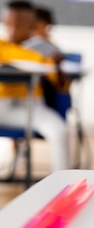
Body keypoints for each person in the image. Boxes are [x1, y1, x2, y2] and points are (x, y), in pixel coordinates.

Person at [0, 39, 70, 172]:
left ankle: (64, 184)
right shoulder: (2, 46)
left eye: (20, 25)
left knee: (59, 131)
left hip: (30, 107)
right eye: (10, 25)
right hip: (2, 106)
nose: (13, 31)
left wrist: (58, 66)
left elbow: (62, 86)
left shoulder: (38, 53)